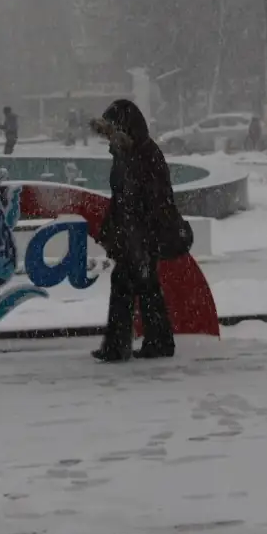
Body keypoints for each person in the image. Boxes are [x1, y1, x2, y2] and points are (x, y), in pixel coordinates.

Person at [91, 99, 180, 362]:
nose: (107, 140)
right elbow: (122, 199)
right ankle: (152, 342)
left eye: (111, 132)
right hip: (133, 235)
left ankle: (123, 346)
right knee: (141, 286)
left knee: (131, 285)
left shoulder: (141, 155)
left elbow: (146, 200)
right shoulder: (131, 153)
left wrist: (139, 240)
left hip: (140, 235)